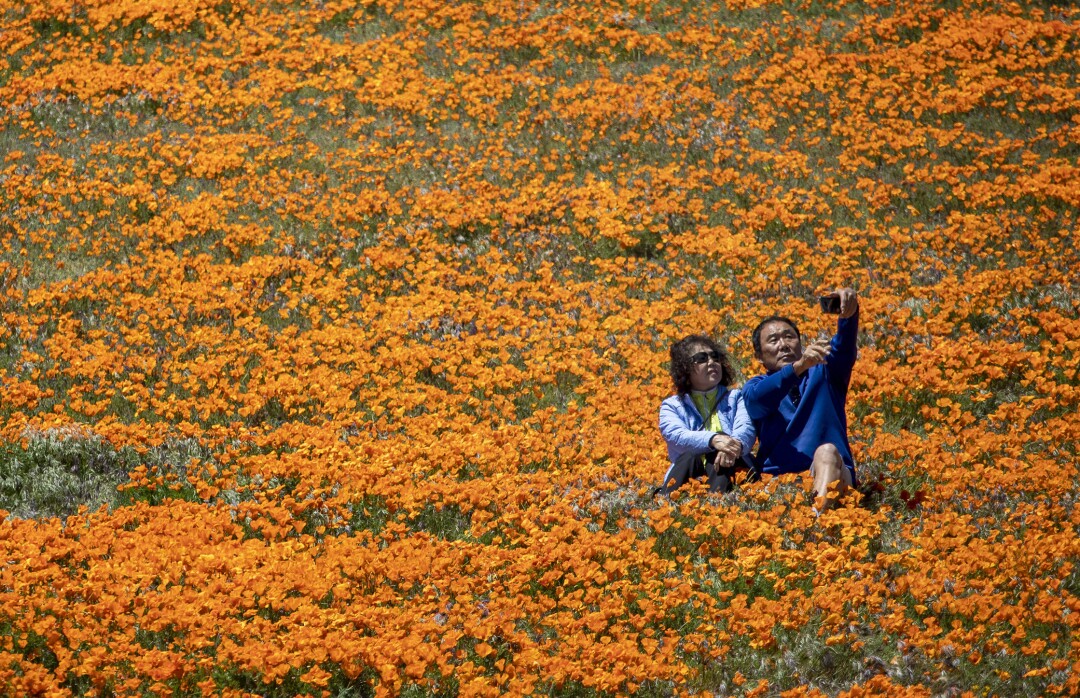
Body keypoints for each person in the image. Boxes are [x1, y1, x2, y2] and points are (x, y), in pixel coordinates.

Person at [742, 288, 860, 511]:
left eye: (789, 336)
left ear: (800, 343)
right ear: (759, 355)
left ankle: (817, 522)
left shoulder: (826, 372)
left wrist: (848, 317)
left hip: (831, 472)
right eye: (773, 340)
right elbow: (760, 400)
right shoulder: (753, 387)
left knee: (826, 452)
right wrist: (798, 368)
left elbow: (844, 348)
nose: (783, 344)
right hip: (780, 483)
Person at [657, 335, 756, 495]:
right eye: (701, 358)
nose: (712, 362)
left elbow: (746, 429)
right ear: (685, 367)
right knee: (691, 455)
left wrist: (730, 446)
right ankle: (666, 507)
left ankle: (717, 504)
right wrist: (713, 440)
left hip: (733, 469)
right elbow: (676, 436)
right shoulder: (672, 406)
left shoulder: (736, 398)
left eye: (715, 357)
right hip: (690, 473)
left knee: (721, 449)